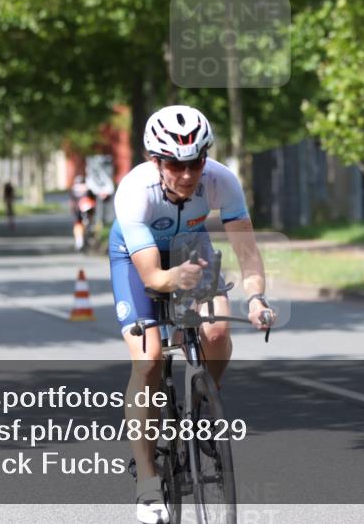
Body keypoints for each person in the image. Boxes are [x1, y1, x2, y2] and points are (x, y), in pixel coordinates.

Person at [108, 105, 274, 524]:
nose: (187, 174)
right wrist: (174, 281)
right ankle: (147, 484)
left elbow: (248, 254)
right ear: (155, 161)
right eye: (175, 164)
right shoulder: (134, 191)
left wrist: (256, 298)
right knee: (148, 359)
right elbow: (152, 275)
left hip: (189, 249)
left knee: (216, 330)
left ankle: (202, 409)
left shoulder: (221, 181)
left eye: (195, 162)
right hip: (137, 258)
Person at [69, 174, 97, 251]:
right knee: (85, 223)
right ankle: (82, 239)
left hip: (79, 210)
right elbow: (94, 201)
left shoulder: (73, 189)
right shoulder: (88, 189)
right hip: (86, 210)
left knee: (78, 224)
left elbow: (72, 203)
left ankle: (79, 240)